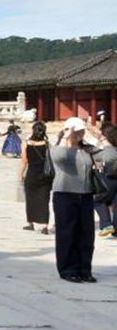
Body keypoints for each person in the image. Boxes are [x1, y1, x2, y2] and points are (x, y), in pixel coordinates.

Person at [50, 117, 98, 283]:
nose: (79, 134)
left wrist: (98, 135)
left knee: (86, 234)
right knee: (67, 233)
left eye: (81, 131)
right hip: (64, 194)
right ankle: (68, 269)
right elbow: (60, 158)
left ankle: (85, 269)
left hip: (85, 195)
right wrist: (66, 136)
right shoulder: (58, 148)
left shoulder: (86, 149)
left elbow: (107, 155)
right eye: (76, 130)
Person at [19, 122, 52, 234]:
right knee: (44, 200)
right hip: (45, 176)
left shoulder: (25, 143)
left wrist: (20, 175)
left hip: (32, 174)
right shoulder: (48, 144)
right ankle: (44, 226)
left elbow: (24, 161)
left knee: (31, 199)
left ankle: (30, 223)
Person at [95, 125, 117, 239]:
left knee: (97, 200)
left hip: (108, 179)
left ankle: (106, 224)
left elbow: (97, 162)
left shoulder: (105, 151)